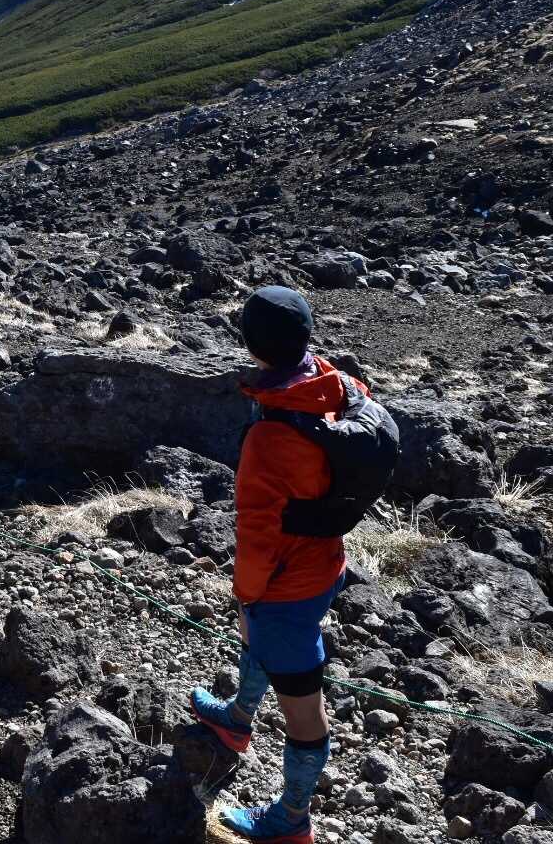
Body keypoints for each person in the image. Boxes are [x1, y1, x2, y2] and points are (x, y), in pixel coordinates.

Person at [190, 285, 353, 844]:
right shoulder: (328, 388)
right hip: (324, 564)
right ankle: (237, 720)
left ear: (252, 344)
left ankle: (291, 820)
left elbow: (259, 535)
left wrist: (247, 592)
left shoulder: (270, 437)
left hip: (285, 583)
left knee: (303, 710)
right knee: (258, 637)